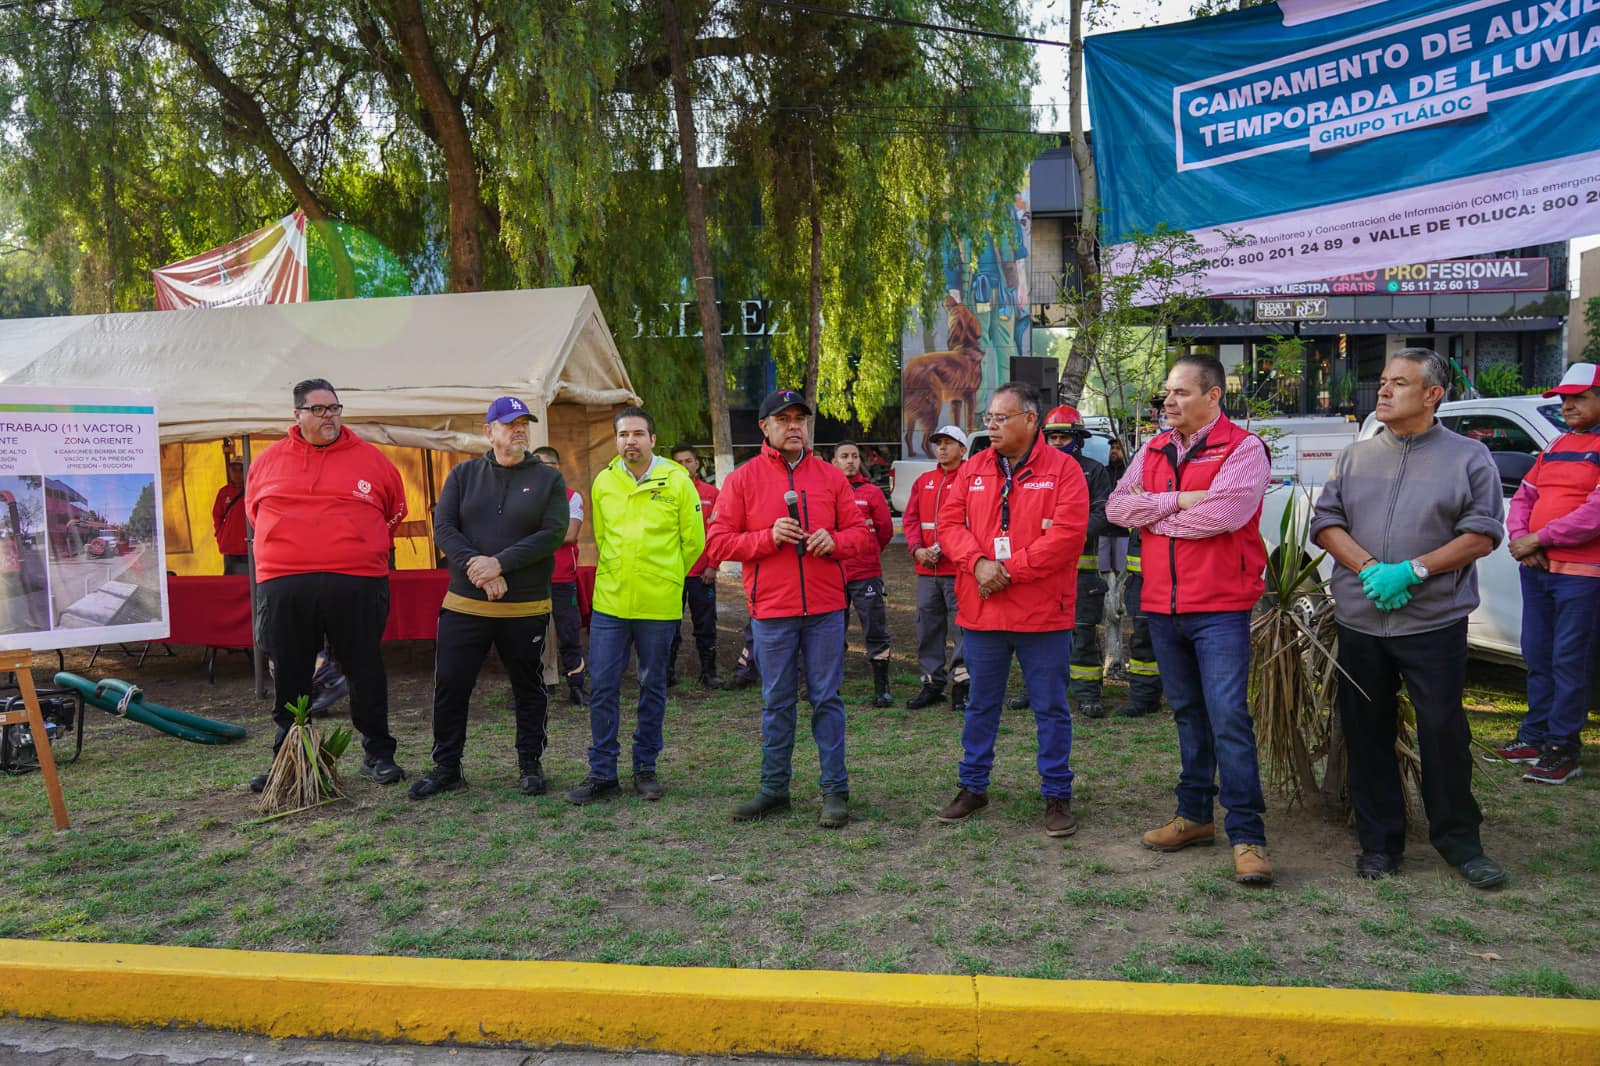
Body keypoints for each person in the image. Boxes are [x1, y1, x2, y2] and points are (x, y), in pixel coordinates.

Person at [1309, 348, 1507, 888]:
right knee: (1366, 732)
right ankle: (1380, 844)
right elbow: (1325, 522)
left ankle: (1460, 842)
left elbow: (1483, 532)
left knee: (1443, 731)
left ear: (1432, 394)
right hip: (1361, 621)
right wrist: (1371, 569)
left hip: (1433, 623)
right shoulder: (1355, 457)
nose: (1384, 391)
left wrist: (1413, 572)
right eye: (1383, 381)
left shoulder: (1469, 458)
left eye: (1399, 383)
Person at [1106, 353, 1274, 886]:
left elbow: (1224, 515)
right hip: (1161, 606)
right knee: (1187, 714)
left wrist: (1156, 515)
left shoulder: (1244, 448)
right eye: (1166, 394)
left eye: (1179, 393)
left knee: (1228, 717)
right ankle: (1196, 816)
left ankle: (1247, 835)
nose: (1168, 402)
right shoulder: (1153, 448)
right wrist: (1180, 499)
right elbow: (1116, 508)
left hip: (1219, 608)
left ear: (1213, 396)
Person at [706, 388, 875, 828]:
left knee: (826, 700)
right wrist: (767, 537)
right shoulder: (742, 480)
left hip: (824, 610)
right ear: (765, 427)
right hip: (772, 611)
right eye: (784, 419)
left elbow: (862, 536)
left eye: (801, 418)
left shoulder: (831, 477)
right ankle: (773, 789)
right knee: (777, 701)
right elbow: (718, 542)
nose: (795, 425)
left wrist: (835, 541)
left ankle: (835, 792)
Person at [933, 382, 1088, 837]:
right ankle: (973, 786)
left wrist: (1008, 569)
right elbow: (949, 524)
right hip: (983, 613)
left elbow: (1066, 537)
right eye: (989, 419)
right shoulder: (973, 467)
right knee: (981, 705)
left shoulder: (1064, 470)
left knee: (1051, 708)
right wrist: (979, 564)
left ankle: (1057, 793)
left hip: (1043, 615)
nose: (992, 426)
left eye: (1002, 418)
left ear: (1030, 420)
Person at [245, 378, 408, 791]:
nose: (329, 416)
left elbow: (394, 511)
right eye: (318, 409)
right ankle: (290, 759)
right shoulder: (267, 461)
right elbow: (254, 512)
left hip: (356, 581)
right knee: (291, 673)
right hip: (284, 581)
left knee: (364, 669)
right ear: (297, 414)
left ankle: (378, 754)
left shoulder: (371, 459)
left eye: (334, 408)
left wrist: (359, 546)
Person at [411, 397, 570, 800]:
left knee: (528, 687)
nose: (518, 430)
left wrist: (500, 564)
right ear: (489, 431)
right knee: (450, 684)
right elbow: (444, 528)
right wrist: (480, 571)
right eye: (509, 423)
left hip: (526, 605)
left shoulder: (549, 479)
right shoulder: (463, 475)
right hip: (466, 603)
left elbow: (552, 533)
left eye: (523, 424)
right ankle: (447, 767)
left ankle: (530, 764)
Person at [567, 407, 705, 805]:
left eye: (639, 433)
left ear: (652, 440)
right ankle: (602, 774)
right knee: (604, 686)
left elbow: (693, 541)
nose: (631, 440)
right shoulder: (604, 482)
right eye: (624, 434)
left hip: (658, 604)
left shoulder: (677, 480)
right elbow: (604, 536)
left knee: (652, 685)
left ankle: (645, 768)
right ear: (616, 440)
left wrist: (666, 577)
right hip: (611, 603)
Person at [1501, 363, 1600, 785]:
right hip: (1538, 569)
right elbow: (1524, 495)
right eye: (1564, 397)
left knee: (1569, 661)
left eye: (1579, 397)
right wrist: (1522, 539)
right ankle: (1535, 736)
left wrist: (1538, 539)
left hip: (1582, 575)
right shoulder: (1557, 444)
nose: (1568, 404)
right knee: (1537, 655)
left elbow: (1594, 514)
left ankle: (1563, 749)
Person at [1007, 405, 1114, 718]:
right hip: (1038, 572)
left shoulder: (1093, 471)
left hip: (1081, 572)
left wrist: (1070, 534)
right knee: (1035, 634)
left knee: (1082, 634)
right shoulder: (1032, 471)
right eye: (1051, 436)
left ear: (1077, 439)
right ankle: (1033, 689)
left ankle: (1088, 694)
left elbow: (1102, 512)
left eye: (1063, 436)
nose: (1056, 442)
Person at [903, 426, 969, 711]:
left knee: (962, 631)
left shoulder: (972, 479)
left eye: (949, 443)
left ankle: (963, 687)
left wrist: (944, 549)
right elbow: (911, 520)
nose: (942, 448)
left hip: (959, 571)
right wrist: (917, 549)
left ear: (963, 449)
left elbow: (973, 523)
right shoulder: (924, 481)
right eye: (938, 443)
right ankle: (932, 684)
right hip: (927, 571)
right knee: (928, 629)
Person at [832, 440, 895, 707]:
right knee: (832, 631)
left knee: (875, 629)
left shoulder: (871, 492)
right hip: (833, 575)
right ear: (834, 461)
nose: (850, 460)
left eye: (855, 456)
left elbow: (885, 530)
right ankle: (828, 686)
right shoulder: (827, 491)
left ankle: (882, 688)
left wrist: (868, 552)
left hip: (865, 573)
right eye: (844, 456)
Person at [667, 443, 725, 690]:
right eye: (678, 462)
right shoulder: (663, 492)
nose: (684, 466)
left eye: (688, 461)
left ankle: (709, 672)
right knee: (669, 623)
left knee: (705, 623)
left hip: (702, 574)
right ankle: (667, 673)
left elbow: (719, 531)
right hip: (672, 572)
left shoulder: (712, 494)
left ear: (697, 463)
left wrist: (712, 566)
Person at [534, 445, 588, 706]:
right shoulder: (522, 496)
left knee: (569, 633)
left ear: (557, 468)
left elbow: (570, 534)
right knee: (528, 636)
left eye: (545, 465)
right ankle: (529, 690)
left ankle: (576, 686)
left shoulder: (571, 497)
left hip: (561, 578)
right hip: (528, 580)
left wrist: (531, 539)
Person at [212, 458, 249, 575]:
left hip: (248, 546)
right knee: (230, 581)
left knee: (249, 581)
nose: (237, 473)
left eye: (241, 469)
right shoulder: (224, 492)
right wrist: (220, 536)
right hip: (230, 547)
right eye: (234, 469)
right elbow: (217, 516)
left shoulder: (253, 490)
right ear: (229, 471)